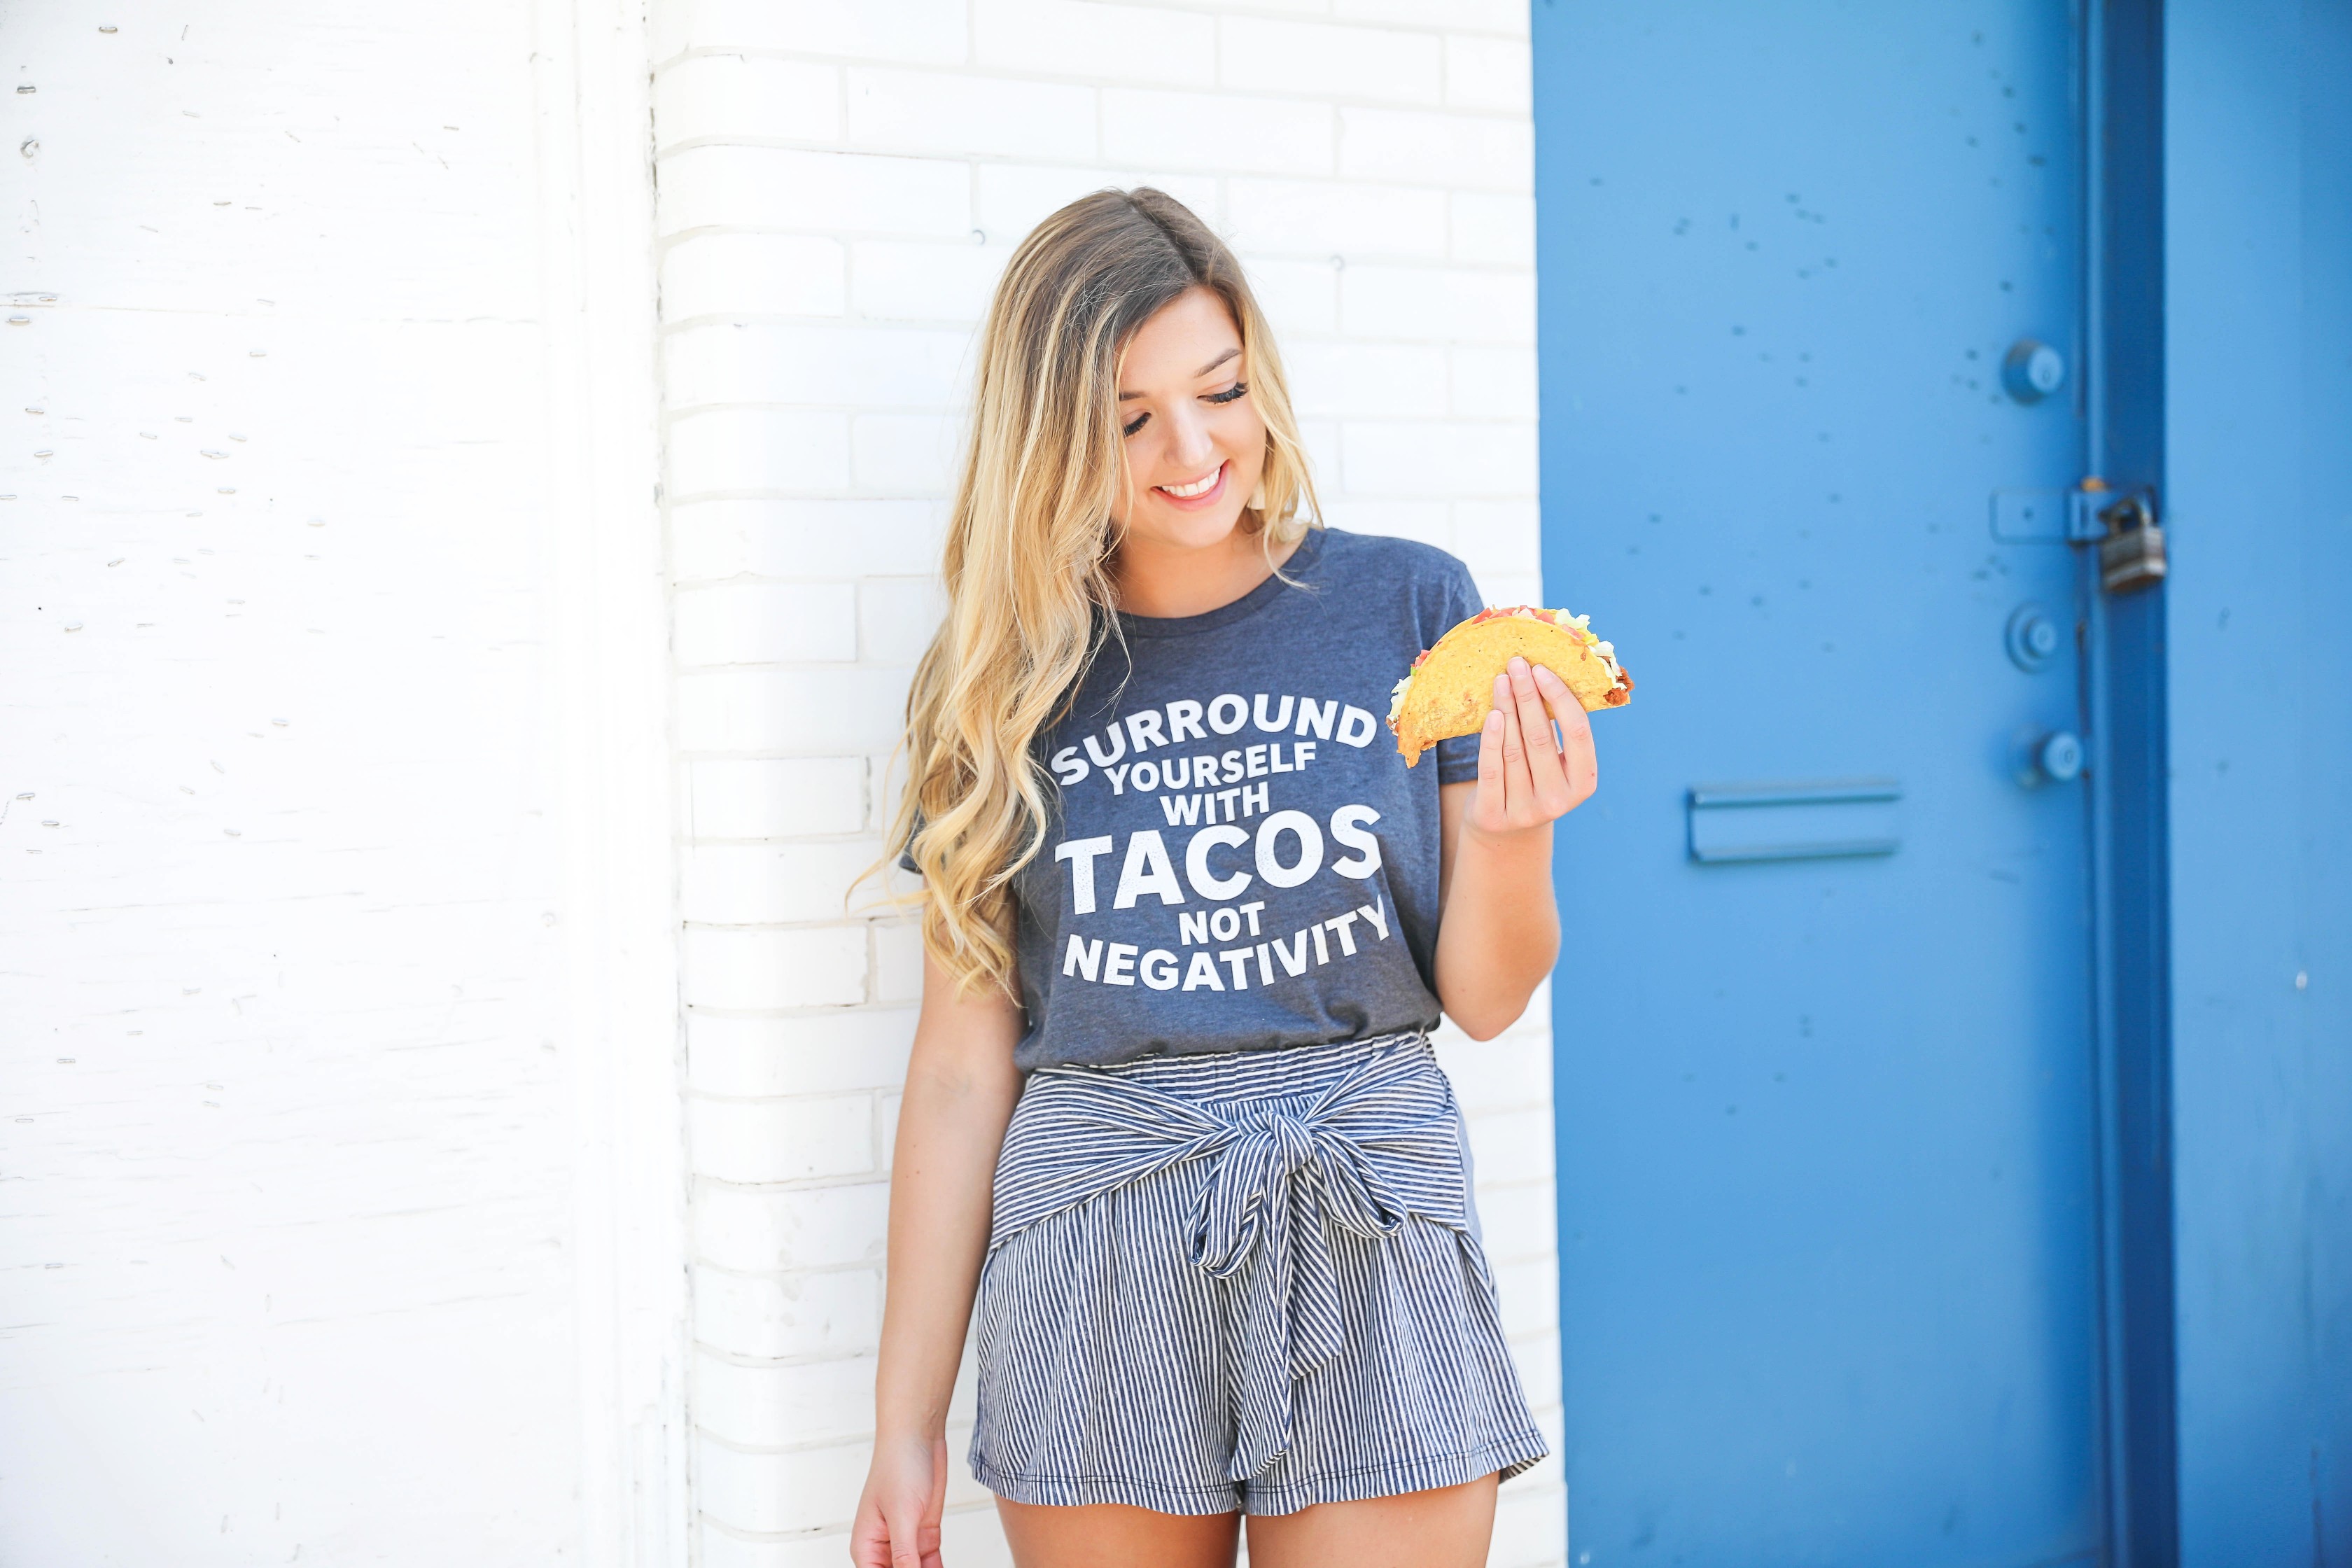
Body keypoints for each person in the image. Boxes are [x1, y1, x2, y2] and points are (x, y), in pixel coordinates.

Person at [850, 188, 1595, 1568]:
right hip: (1097, 1232)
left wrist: (1510, 838)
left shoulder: (1412, 607)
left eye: (1221, 389)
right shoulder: (998, 684)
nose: (1194, 449)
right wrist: (905, 1418)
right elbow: (961, 1069)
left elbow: (1485, 1001)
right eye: (1130, 419)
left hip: (1367, 1205)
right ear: (1051, 441)